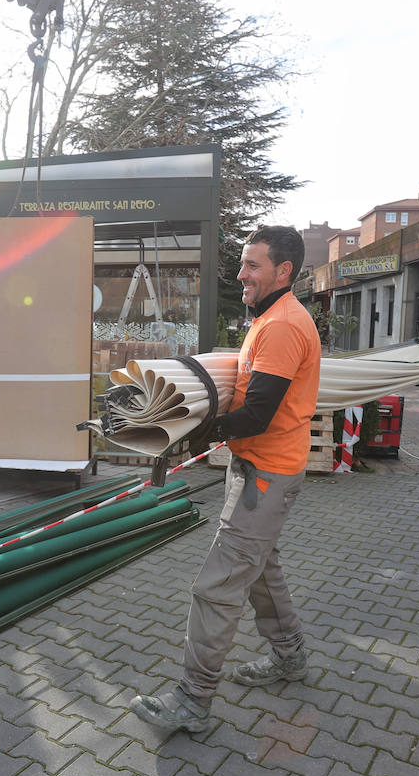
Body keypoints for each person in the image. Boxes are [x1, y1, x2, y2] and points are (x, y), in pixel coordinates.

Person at [130, 225, 321, 734]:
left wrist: (197, 431)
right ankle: (290, 657)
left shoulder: (281, 325)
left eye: (252, 265)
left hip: (266, 475)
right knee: (262, 571)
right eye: (243, 264)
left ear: (284, 271)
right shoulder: (272, 319)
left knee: (216, 587)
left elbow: (257, 413)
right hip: (265, 469)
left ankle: (193, 701)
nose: (241, 274)